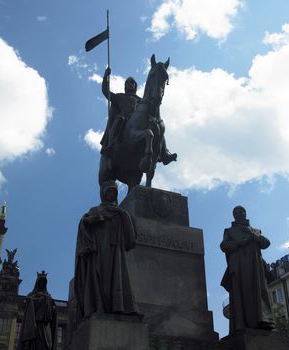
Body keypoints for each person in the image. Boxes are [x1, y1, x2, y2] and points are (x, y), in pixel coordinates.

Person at [74, 181, 139, 322]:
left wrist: (123, 214)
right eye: (109, 192)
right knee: (99, 278)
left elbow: (131, 234)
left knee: (117, 278)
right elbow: (83, 223)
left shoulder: (120, 212)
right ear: (104, 194)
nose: (111, 195)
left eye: (114, 193)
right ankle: (99, 306)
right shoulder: (94, 210)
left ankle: (118, 306)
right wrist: (91, 221)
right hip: (98, 251)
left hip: (115, 250)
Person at [100, 67, 176, 165]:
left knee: (157, 126)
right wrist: (106, 77)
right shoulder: (120, 97)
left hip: (139, 122)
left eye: (132, 83)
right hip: (125, 119)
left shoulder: (141, 100)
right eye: (128, 83)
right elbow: (106, 92)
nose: (130, 84)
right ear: (125, 86)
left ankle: (164, 153)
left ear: (135, 86)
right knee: (118, 120)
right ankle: (110, 146)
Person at [220, 206, 274, 333]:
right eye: (235, 213)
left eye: (240, 212)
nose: (238, 215)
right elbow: (224, 246)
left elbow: (266, 243)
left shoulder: (255, 231)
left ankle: (263, 320)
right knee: (241, 294)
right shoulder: (229, 231)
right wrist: (239, 243)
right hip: (239, 267)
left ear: (245, 213)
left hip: (256, 268)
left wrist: (252, 235)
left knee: (259, 292)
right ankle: (242, 323)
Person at [18, 271, 57, 350]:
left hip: (45, 325)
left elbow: (52, 312)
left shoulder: (48, 297)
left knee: (47, 345)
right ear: (37, 283)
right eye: (41, 282)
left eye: (44, 282)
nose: (42, 284)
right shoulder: (31, 295)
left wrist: (49, 302)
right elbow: (27, 306)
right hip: (34, 324)